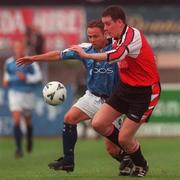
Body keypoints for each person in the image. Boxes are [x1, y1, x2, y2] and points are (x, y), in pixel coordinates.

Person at [16, 20, 127, 173]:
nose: (92, 40)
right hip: (92, 96)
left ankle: (130, 159)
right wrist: (34, 58)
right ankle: (68, 160)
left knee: (112, 149)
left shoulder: (117, 49)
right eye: (90, 36)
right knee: (69, 118)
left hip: (113, 102)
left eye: (95, 36)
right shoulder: (85, 49)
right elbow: (59, 54)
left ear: (106, 34)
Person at [70, 6, 161, 177]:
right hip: (125, 89)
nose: (105, 28)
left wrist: (87, 55)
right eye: (103, 24)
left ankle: (141, 164)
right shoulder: (116, 37)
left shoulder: (132, 36)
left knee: (124, 139)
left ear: (120, 23)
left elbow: (117, 55)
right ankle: (128, 154)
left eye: (107, 24)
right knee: (97, 123)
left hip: (144, 93)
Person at [3, 40, 42, 158]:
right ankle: (18, 148)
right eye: (16, 47)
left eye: (20, 47)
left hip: (28, 94)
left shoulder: (30, 62)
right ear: (14, 49)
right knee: (16, 121)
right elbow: (6, 76)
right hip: (14, 93)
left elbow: (38, 77)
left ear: (23, 48)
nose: (18, 49)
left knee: (28, 121)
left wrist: (26, 77)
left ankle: (29, 140)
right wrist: (5, 81)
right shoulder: (9, 62)